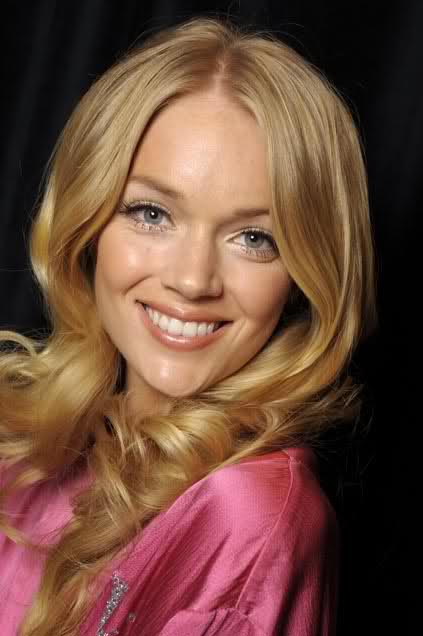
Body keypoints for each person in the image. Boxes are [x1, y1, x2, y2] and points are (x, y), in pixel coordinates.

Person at [0, 15, 377, 636]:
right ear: (86, 224)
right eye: (152, 213)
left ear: (302, 275)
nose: (193, 280)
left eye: (254, 237)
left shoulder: (248, 520)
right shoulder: (33, 448)